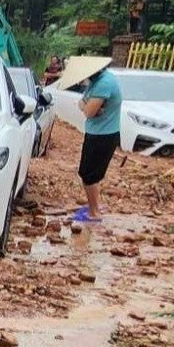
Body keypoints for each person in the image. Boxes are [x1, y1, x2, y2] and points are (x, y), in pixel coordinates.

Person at [53, 55, 121, 223]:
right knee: (91, 174)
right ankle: (95, 206)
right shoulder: (97, 82)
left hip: (103, 136)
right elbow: (82, 104)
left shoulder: (104, 83)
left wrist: (89, 107)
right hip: (97, 132)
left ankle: (94, 212)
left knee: (89, 174)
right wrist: (89, 106)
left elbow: (88, 111)